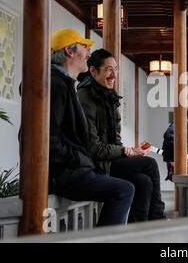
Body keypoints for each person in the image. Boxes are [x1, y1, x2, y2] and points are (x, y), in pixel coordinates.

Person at [48, 28, 135, 226]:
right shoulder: (56, 85)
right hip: (66, 174)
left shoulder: (64, 83)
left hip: (75, 168)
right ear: (70, 52)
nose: (88, 54)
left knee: (138, 180)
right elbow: (49, 139)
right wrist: (80, 160)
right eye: (84, 47)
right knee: (125, 190)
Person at [77, 49, 166, 222]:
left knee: (144, 182)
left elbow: (115, 141)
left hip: (108, 161)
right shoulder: (85, 97)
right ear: (93, 71)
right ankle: (158, 220)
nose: (113, 75)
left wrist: (132, 151)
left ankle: (136, 234)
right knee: (150, 164)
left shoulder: (109, 97)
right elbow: (94, 149)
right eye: (108, 69)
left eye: (116, 69)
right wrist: (127, 151)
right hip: (94, 164)